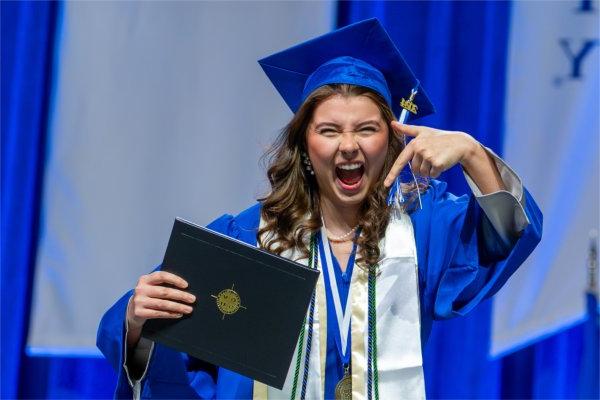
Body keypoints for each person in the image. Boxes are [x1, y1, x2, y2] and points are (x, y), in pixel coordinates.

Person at [97, 18, 542, 399]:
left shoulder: (424, 228)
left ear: (389, 141)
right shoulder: (248, 237)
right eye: (329, 130)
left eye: (366, 128)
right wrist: (138, 322)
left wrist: (471, 154)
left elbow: (508, 234)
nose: (348, 145)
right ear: (305, 148)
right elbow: (164, 342)